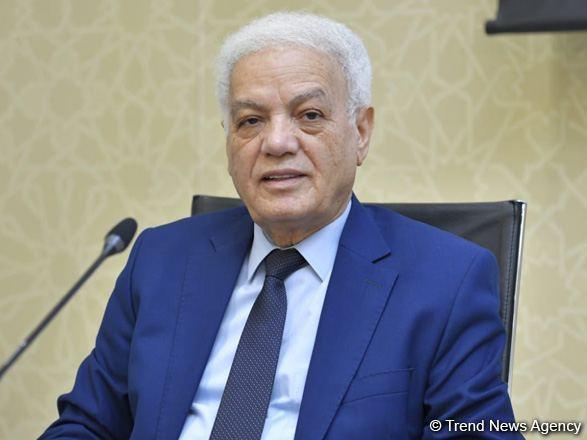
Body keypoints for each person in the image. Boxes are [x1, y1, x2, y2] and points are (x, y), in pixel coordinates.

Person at [41, 12, 521, 440]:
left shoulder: (446, 282)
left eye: (309, 115)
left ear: (361, 132)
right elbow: (88, 425)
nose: (276, 142)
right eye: (250, 121)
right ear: (228, 139)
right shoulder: (160, 260)